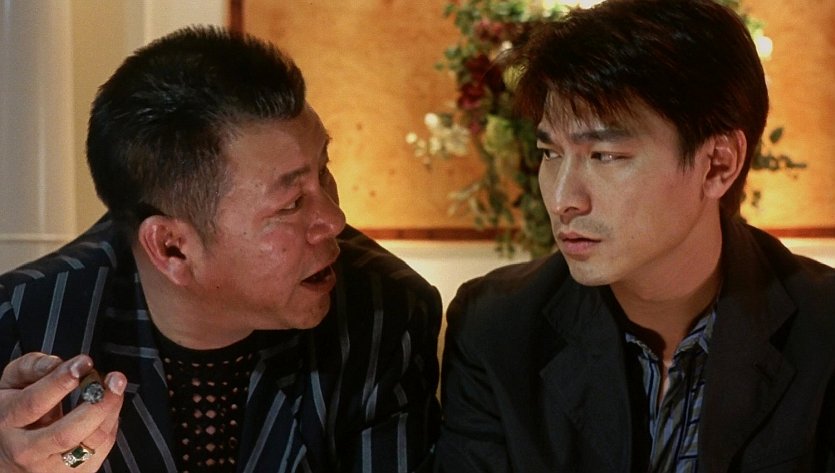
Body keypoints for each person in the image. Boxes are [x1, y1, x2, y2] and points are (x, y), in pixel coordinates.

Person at [0, 26, 441, 473]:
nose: (334, 219)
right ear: (172, 248)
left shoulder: (382, 312)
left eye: (324, 171)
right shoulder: (28, 322)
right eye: (291, 203)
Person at [434, 0, 835, 471]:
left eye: (604, 155)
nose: (563, 199)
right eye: (550, 153)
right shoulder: (497, 328)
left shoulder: (822, 330)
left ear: (717, 165)